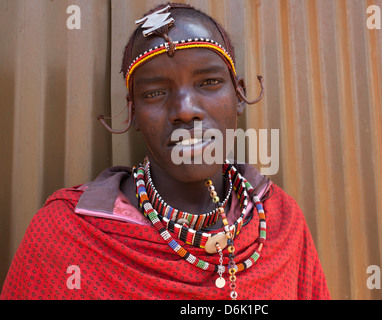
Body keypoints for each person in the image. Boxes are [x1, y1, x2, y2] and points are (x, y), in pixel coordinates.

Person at [1, 2, 330, 300]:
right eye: (156, 92)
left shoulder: (280, 222)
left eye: (209, 82)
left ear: (239, 95)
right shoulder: (64, 235)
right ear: (133, 114)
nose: (185, 110)